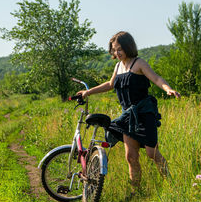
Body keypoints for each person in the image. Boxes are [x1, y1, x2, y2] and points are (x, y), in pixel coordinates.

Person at [77, 31, 180, 191]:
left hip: (144, 114)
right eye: (114, 50)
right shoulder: (118, 66)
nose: (116, 53)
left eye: (119, 49)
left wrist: (168, 89)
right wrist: (88, 92)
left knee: (152, 153)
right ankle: (135, 191)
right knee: (130, 157)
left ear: (128, 47)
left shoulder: (139, 63)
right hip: (128, 117)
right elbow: (110, 84)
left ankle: (172, 186)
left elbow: (157, 78)